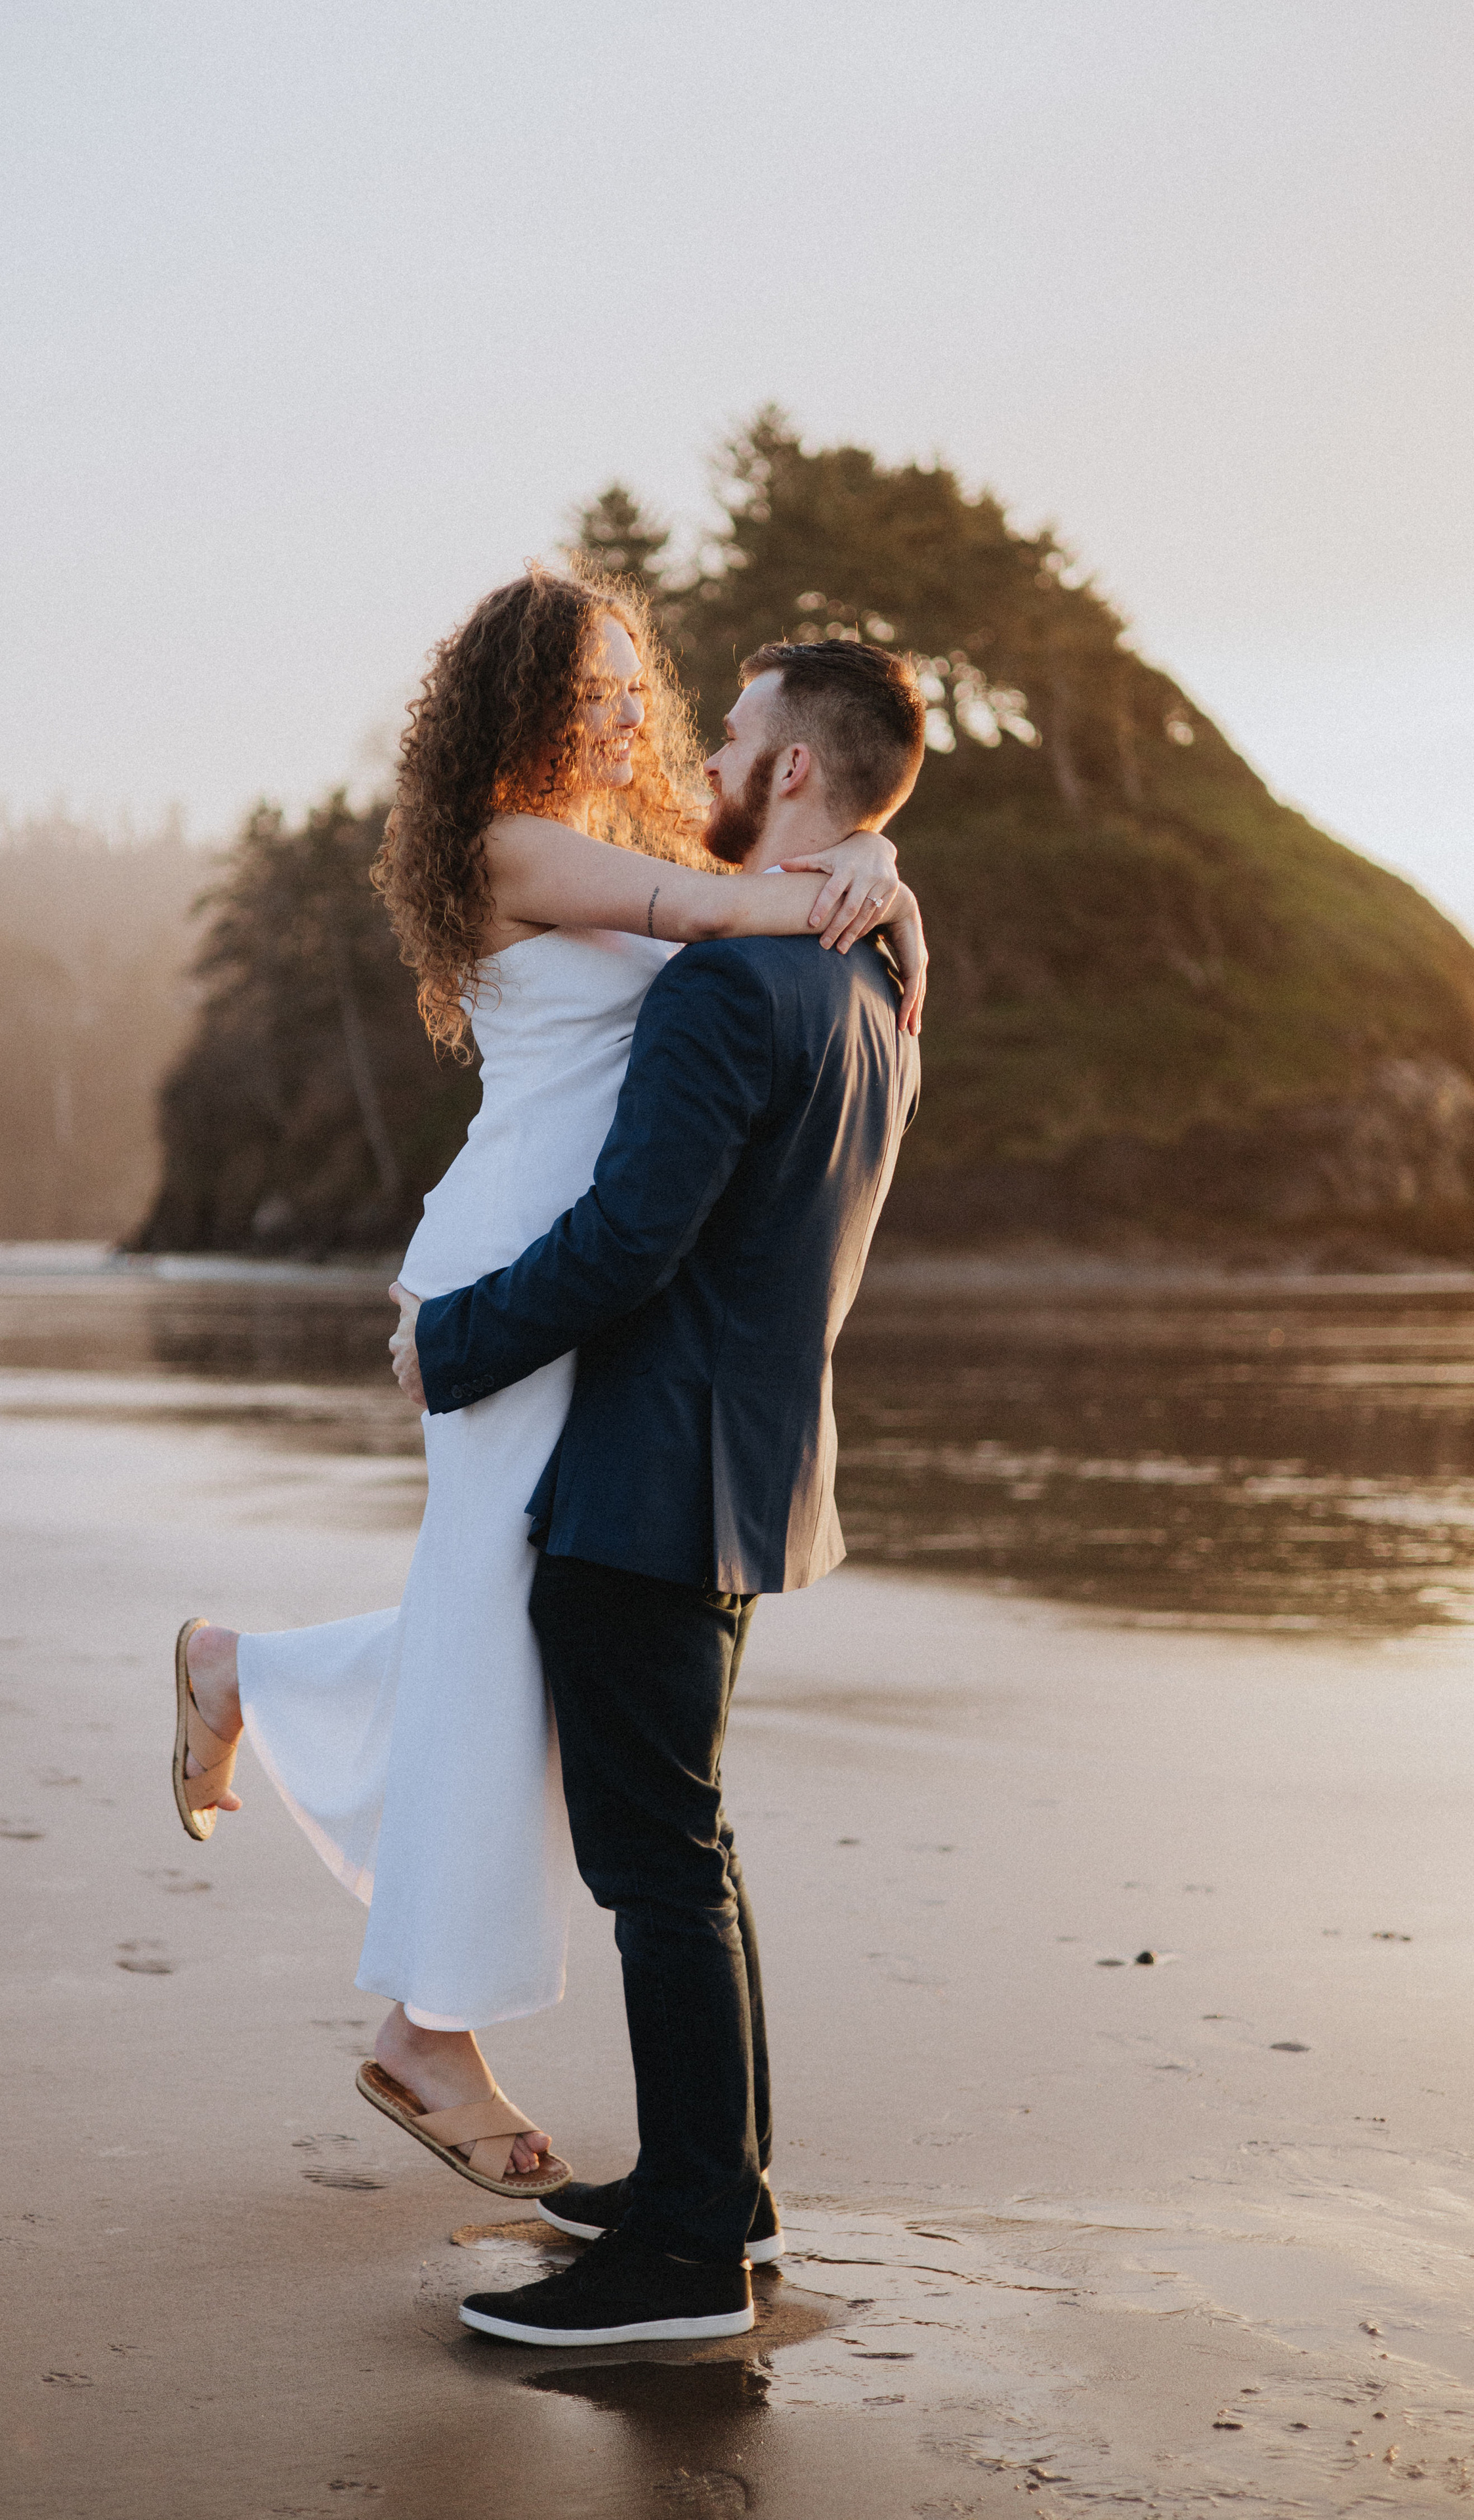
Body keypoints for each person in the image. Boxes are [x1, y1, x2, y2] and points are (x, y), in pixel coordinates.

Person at [171, 566, 925, 2200]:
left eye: (623, 684)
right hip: (516, 1270)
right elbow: (730, 913)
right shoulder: (506, 845)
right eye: (581, 688)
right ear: (508, 705)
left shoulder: (634, 835)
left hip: (586, 1275)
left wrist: (866, 858)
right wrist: (868, 879)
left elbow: (755, 882)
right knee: (500, 1629)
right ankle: (418, 2031)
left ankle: (247, 1682)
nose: (617, 710)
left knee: (506, 1625)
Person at [388, 633, 926, 2344]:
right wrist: (882, 879)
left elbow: (632, 1240)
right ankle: (718, 2184)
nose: (694, 749)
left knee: (663, 1871)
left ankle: (693, 2246)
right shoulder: (869, 993)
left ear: (784, 773)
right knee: (679, 1846)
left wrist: (450, 1344)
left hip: (645, 1468)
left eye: (735, 736)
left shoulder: (720, 982)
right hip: (756, 1463)